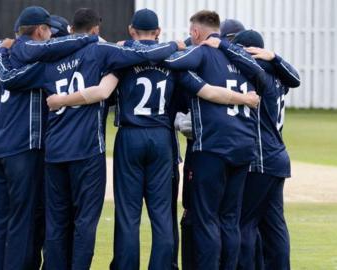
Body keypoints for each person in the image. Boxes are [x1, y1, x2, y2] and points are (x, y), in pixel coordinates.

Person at [43, 9, 259, 270]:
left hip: (130, 137)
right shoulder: (172, 60)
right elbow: (198, 95)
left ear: (132, 30)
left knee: (128, 214)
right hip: (161, 138)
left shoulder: (122, 60)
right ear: (158, 33)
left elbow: (103, 93)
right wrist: (242, 97)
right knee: (161, 214)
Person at [0, 7, 184, 269]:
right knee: (86, 222)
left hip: (55, 151)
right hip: (89, 151)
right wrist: (174, 45)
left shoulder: (49, 60)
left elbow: (12, 80)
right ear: (96, 30)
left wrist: (2, 56)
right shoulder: (102, 52)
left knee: (57, 221)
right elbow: (143, 53)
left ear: (71, 30)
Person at [0, 6, 99, 270]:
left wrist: (2, 50)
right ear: (40, 31)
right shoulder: (39, 62)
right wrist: (91, 38)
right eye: (49, 33)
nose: (52, 40)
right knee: (23, 221)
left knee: (0, 219)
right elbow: (20, 70)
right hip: (23, 148)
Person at [161, 10, 263, 270]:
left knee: (207, 219)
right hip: (244, 145)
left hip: (212, 147)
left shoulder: (201, 52)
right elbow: (261, 77)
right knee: (230, 219)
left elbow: (173, 60)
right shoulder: (240, 59)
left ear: (195, 32)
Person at [214, 29, 300, 270]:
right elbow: (296, 77)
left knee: (245, 222)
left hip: (260, 157)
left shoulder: (257, 74)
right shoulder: (279, 74)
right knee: (274, 225)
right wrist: (275, 57)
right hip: (278, 157)